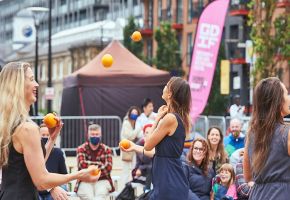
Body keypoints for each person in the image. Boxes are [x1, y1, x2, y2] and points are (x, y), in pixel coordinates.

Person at [0, 62, 99, 200]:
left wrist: (52, 139)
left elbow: (30, 166)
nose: (36, 84)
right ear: (18, 86)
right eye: (31, 79)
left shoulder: (7, 125)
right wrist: (78, 175)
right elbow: (41, 181)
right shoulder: (28, 128)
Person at [121, 77, 191, 200]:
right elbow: (157, 153)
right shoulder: (176, 117)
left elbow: (148, 143)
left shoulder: (170, 118)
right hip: (169, 179)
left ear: (170, 93)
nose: (164, 87)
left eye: (167, 85)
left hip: (169, 180)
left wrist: (157, 118)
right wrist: (134, 147)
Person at [243, 77, 290, 200]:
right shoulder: (287, 132)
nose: (289, 98)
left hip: (258, 195)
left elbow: (247, 176)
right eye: (287, 93)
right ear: (278, 101)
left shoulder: (252, 133)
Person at [75, 123, 114, 200]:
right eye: (92, 134)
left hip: (102, 180)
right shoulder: (81, 149)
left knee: (99, 198)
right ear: (88, 135)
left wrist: (89, 168)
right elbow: (82, 165)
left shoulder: (107, 149)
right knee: (88, 197)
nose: (95, 136)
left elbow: (108, 168)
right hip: (85, 181)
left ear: (101, 135)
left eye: (97, 134)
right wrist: (99, 165)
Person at [38, 124, 68, 200]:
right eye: (43, 135)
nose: (45, 137)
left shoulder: (58, 153)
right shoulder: (33, 153)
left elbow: (63, 174)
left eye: (48, 135)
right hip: (38, 189)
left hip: (54, 186)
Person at [120, 106, 142, 185]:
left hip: (134, 148)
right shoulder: (126, 122)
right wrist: (138, 129)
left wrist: (138, 128)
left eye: (136, 113)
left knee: (134, 169)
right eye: (133, 113)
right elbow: (130, 136)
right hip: (126, 148)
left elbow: (140, 135)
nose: (134, 114)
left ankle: (132, 188)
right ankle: (124, 189)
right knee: (126, 170)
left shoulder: (137, 123)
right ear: (129, 113)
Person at [133, 124, 153, 192]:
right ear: (144, 134)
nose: (148, 134)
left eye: (151, 132)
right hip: (145, 171)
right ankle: (146, 192)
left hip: (153, 170)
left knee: (150, 168)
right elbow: (139, 161)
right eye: (146, 132)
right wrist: (136, 170)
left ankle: (147, 191)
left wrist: (140, 168)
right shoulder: (139, 144)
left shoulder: (156, 144)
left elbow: (151, 162)